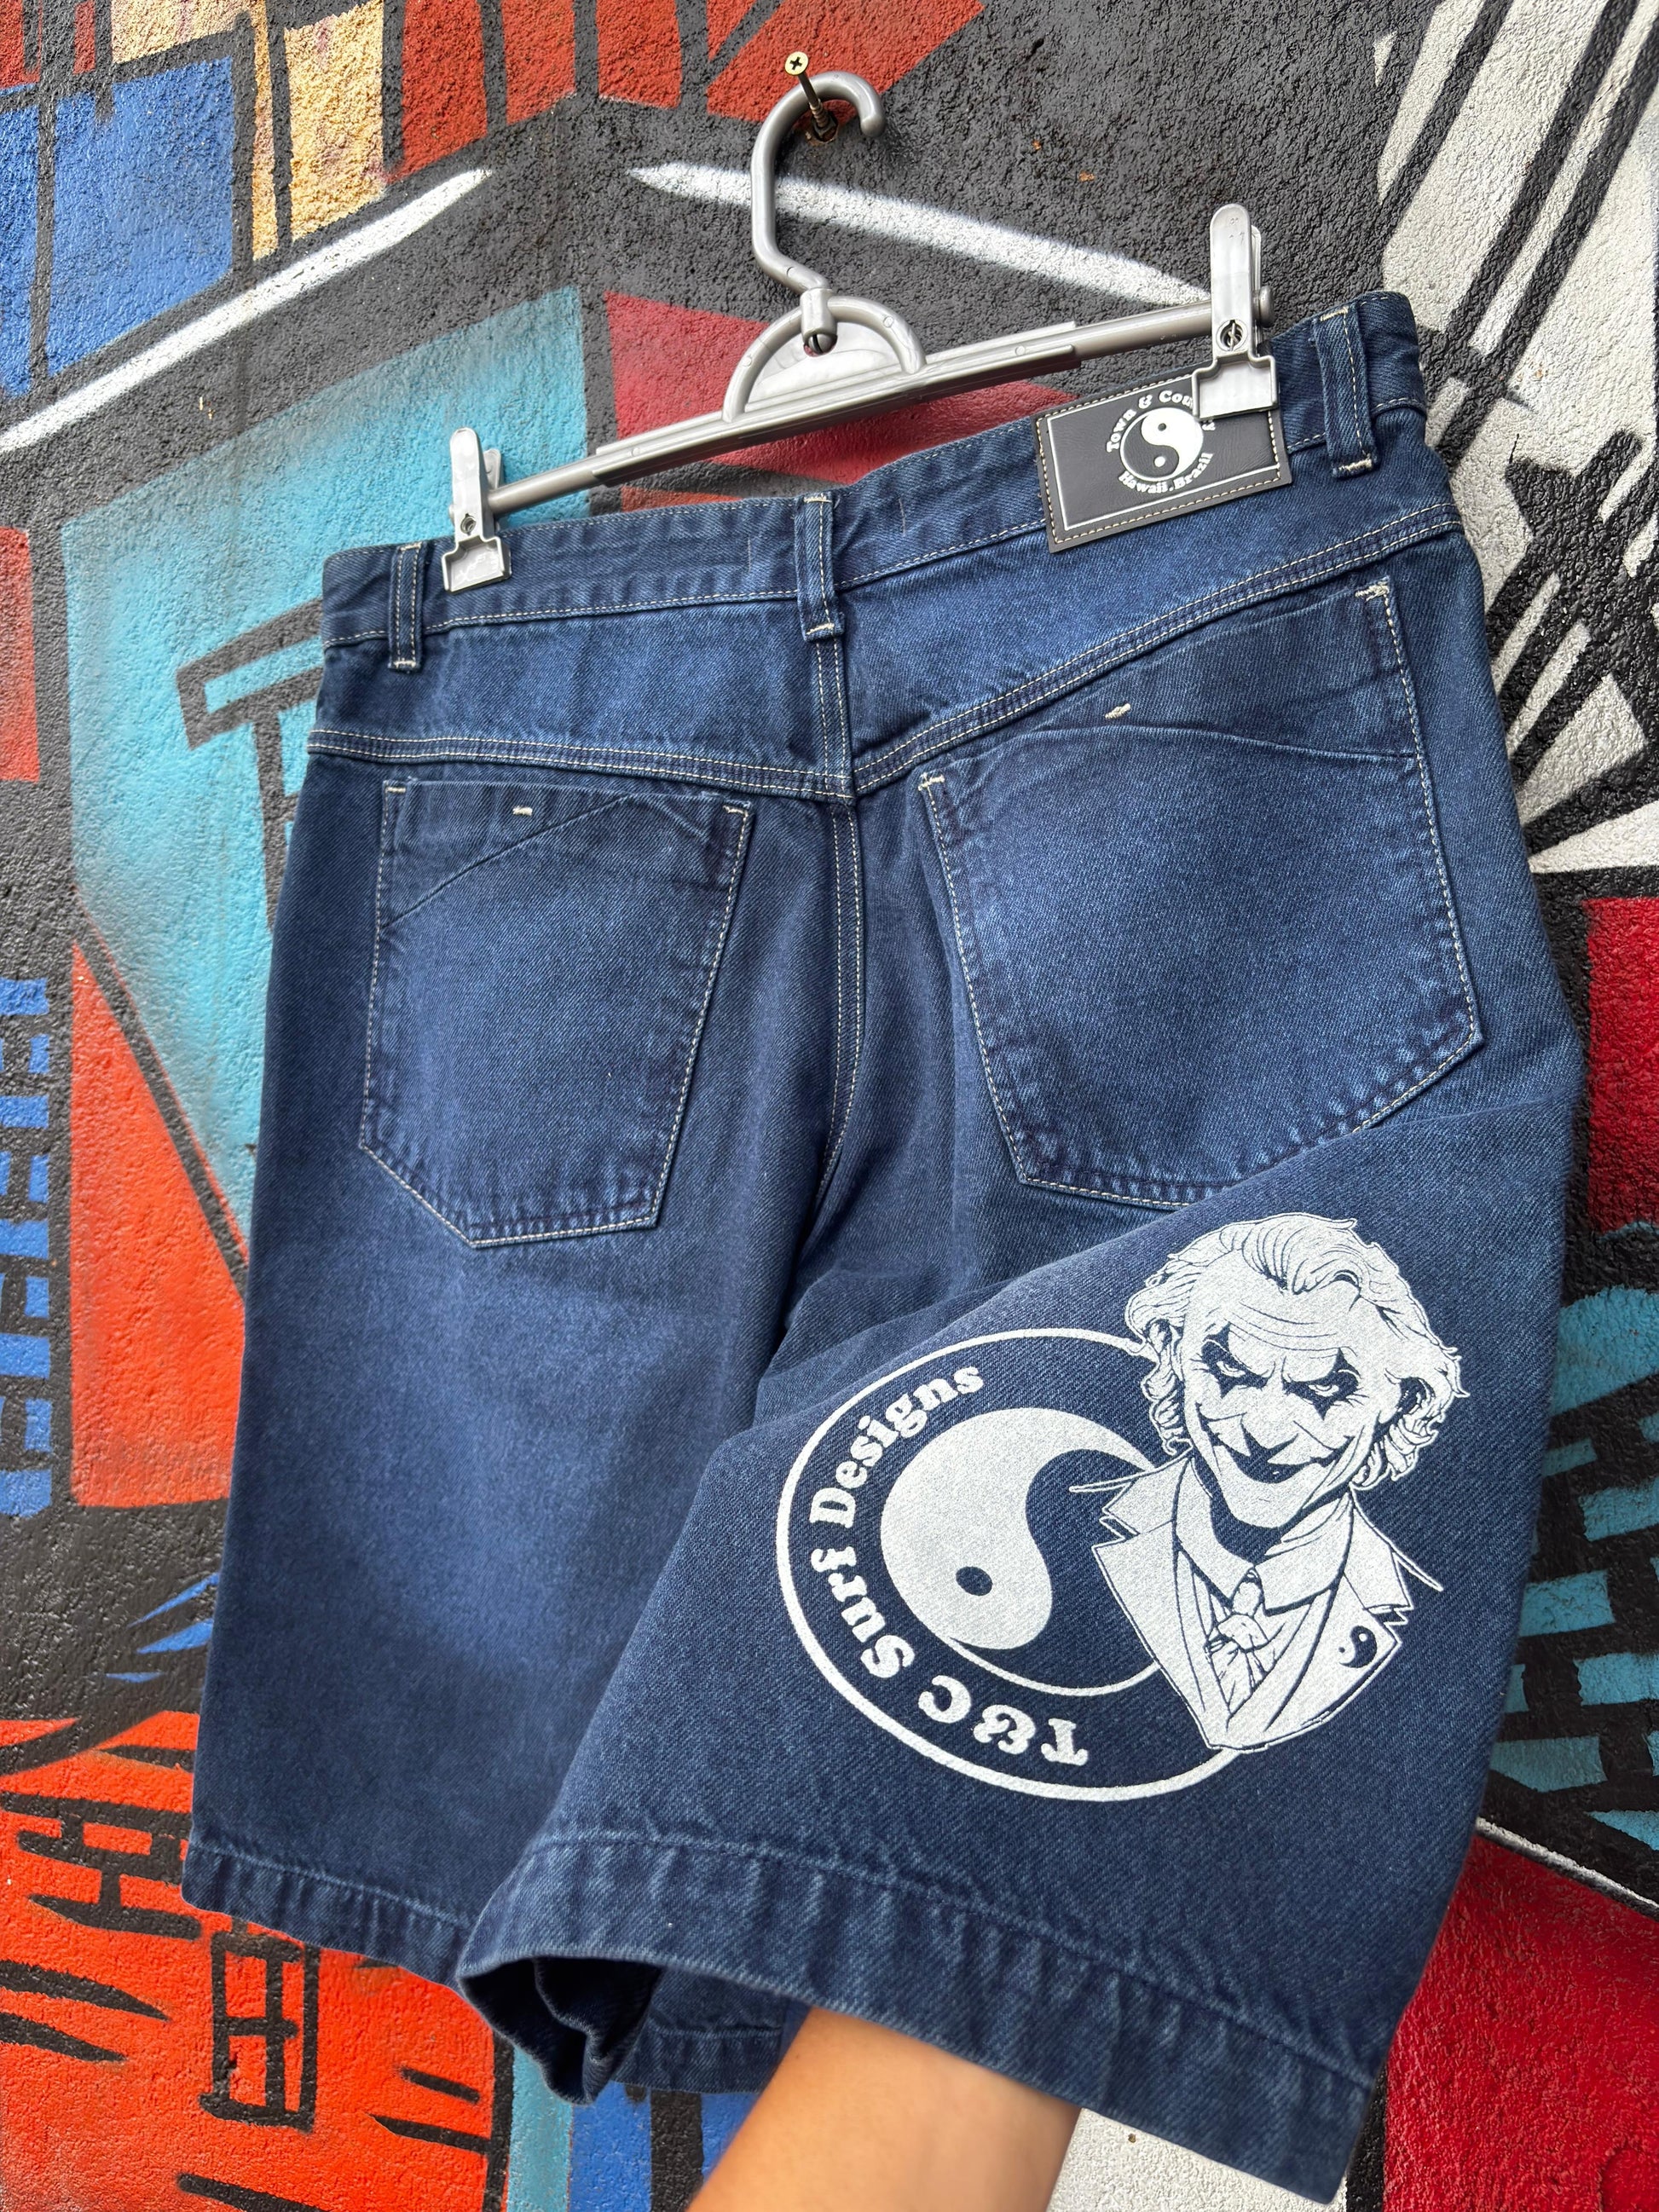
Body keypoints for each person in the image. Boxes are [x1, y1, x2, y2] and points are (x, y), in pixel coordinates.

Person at [1087, 1212, 1464, 1750]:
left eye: (1324, 1391)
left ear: (1400, 1401)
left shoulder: (1442, 1615)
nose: (1265, 1431)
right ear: (1173, 1352)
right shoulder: (1060, 1522)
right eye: (1231, 1372)